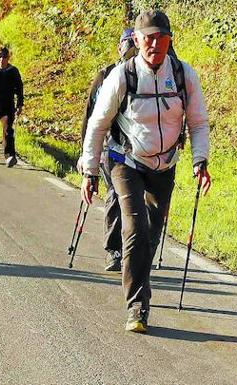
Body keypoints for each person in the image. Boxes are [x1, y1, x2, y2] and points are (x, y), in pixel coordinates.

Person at [80, 10, 211, 333]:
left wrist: (200, 160)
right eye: (148, 38)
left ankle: (137, 273)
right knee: (135, 228)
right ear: (136, 40)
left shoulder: (183, 74)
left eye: (161, 37)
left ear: (170, 40)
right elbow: (97, 124)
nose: (154, 44)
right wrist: (90, 170)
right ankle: (138, 306)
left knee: (150, 236)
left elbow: (197, 122)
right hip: (126, 161)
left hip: (164, 165)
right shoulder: (123, 76)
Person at [78, 28, 137, 271]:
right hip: (110, 147)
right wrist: (85, 152)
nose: (130, 46)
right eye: (127, 42)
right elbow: (91, 116)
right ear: (119, 46)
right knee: (115, 192)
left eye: (134, 41)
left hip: (141, 150)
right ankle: (114, 249)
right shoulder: (106, 75)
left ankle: (135, 249)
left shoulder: (150, 75)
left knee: (139, 200)